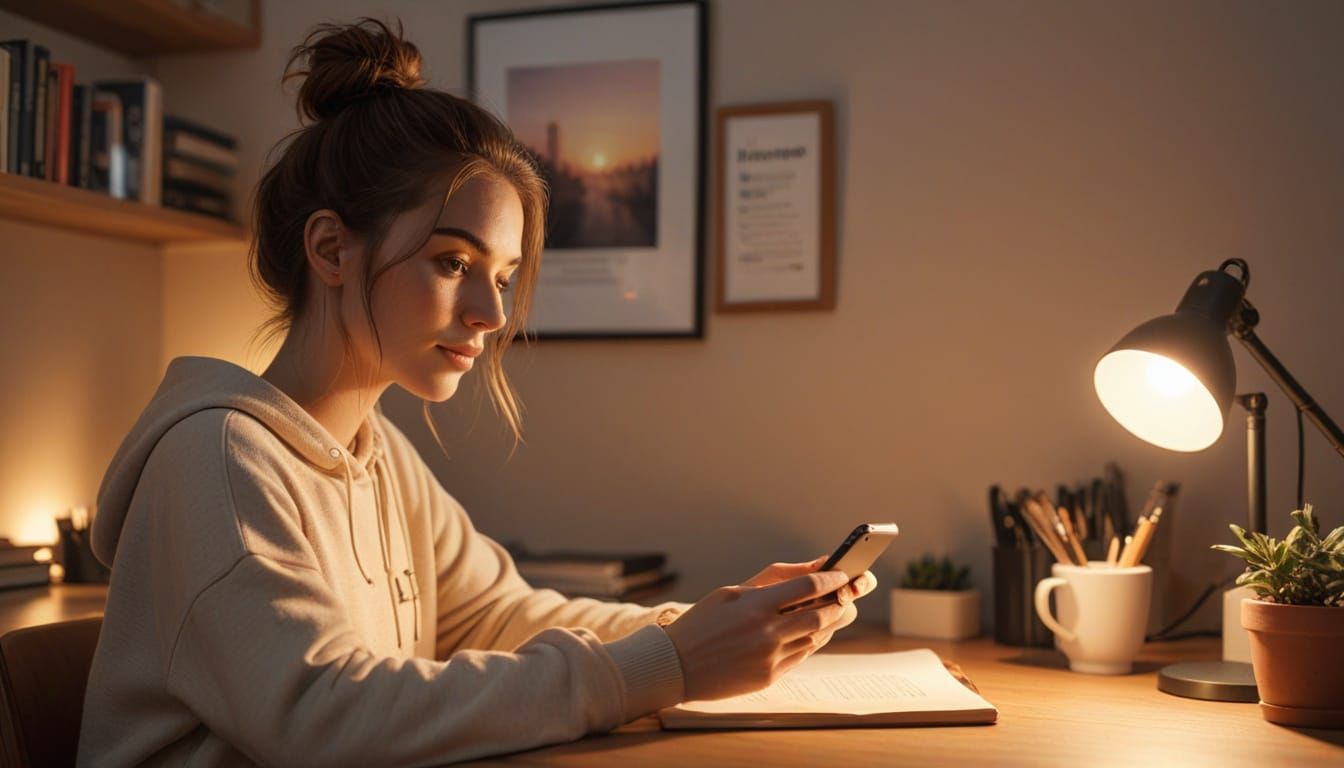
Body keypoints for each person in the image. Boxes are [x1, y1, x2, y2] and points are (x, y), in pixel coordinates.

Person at [77, 18, 877, 767]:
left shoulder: (379, 456)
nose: (492, 314)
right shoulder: (217, 461)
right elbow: (321, 713)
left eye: (501, 276)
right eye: (454, 263)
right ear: (330, 248)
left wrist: (711, 624)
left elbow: (501, 617)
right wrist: (669, 665)